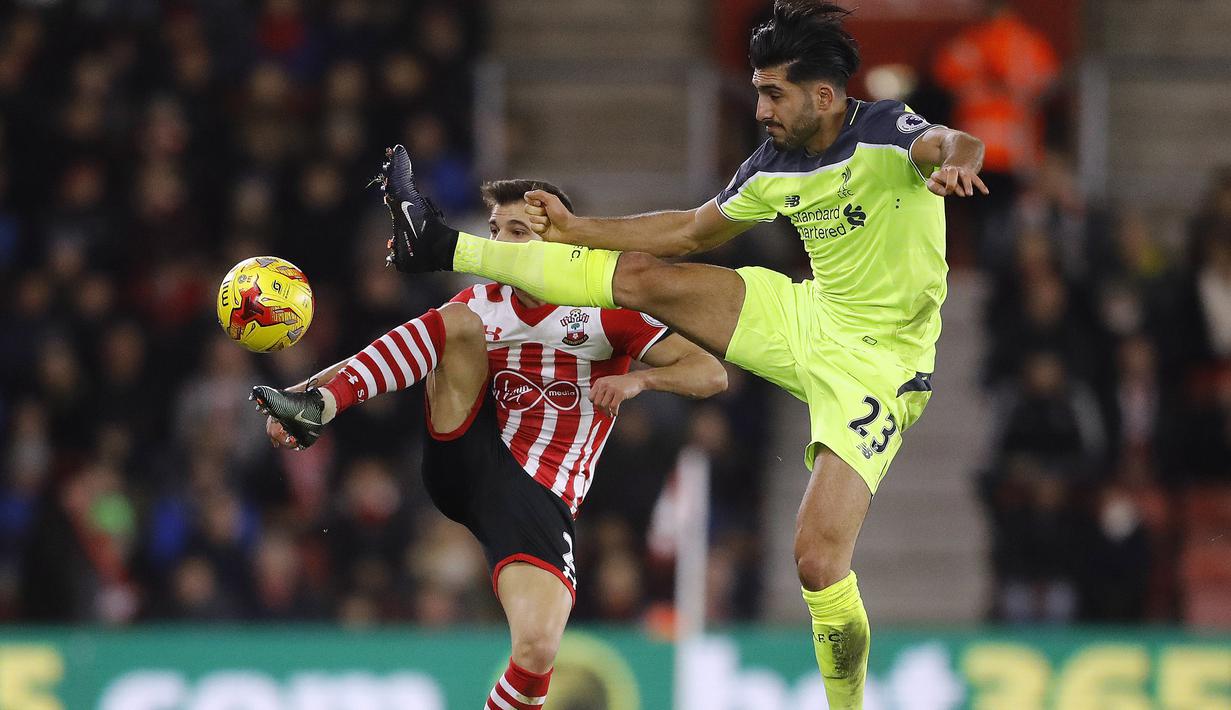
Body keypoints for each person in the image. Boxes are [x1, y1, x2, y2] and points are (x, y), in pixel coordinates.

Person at [376, 2, 987, 706]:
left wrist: (960, 162)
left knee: (817, 562)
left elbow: (949, 141)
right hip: (806, 315)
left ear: (823, 95)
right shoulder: (772, 164)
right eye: (758, 90)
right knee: (639, 278)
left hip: (883, 364)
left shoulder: (885, 132)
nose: (759, 108)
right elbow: (693, 232)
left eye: (771, 93)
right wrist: (578, 228)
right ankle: (441, 246)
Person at [251, 179, 726, 710]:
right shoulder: (479, 303)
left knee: (538, 649)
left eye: (518, 232)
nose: (501, 245)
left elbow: (709, 372)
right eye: (495, 232)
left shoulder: (609, 308)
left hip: (540, 496)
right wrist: (308, 393)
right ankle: (323, 409)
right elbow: (406, 343)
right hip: (470, 458)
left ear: (564, 241)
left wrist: (638, 380)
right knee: (456, 324)